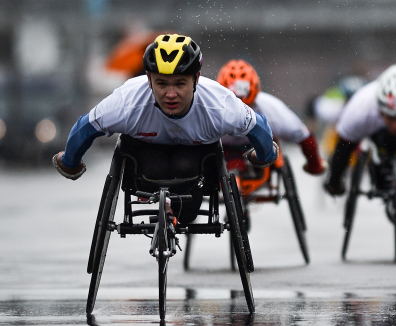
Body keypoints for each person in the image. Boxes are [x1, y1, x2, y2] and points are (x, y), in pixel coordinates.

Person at [53, 34, 278, 223]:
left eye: (180, 83)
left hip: (194, 168)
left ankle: (177, 209)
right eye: (161, 84)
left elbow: (258, 125)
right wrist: (264, 155)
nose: (170, 94)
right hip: (145, 164)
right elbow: (86, 127)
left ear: (196, 79)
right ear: (149, 80)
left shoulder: (219, 103)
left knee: (187, 174)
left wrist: (70, 163)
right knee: (153, 163)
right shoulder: (127, 100)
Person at [322, 64, 396, 223]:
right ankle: (381, 175)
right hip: (379, 135)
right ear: (380, 110)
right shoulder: (360, 107)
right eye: (390, 117)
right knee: (382, 140)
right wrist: (335, 181)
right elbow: (344, 148)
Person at [216, 59, 327, 176]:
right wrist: (315, 166)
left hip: (260, 149)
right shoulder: (210, 110)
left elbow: (303, 136)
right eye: (235, 108)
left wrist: (314, 164)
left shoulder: (272, 109)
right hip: (224, 151)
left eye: (248, 107)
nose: (243, 115)